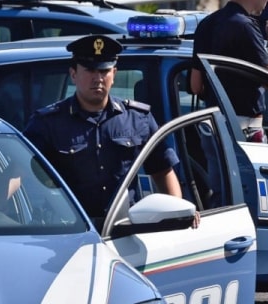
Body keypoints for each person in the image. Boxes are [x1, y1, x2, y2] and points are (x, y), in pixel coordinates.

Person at [23, 35, 184, 224]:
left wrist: (179, 213)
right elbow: (17, 172)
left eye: (104, 71)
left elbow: (163, 171)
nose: (98, 78)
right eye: (90, 70)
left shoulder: (137, 118)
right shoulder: (48, 123)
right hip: (69, 229)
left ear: (114, 74)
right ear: (73, 74)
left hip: (123, 228)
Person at [191, 0, 268, 141]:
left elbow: (196, 86)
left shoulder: (206, 24)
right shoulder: (246, 27)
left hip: (212, 127)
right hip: (244, 129)